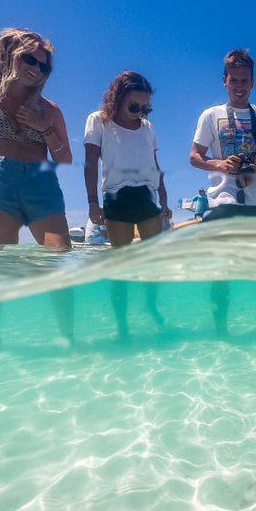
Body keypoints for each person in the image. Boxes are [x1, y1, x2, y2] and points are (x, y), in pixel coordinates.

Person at [0, 27, 74, 347]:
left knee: (59, 261)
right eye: (29, 59)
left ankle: (68, 339)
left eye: (44, 65)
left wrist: (44, 128)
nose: (36, 68)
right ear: (7, 54)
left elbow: (65, 158)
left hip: (42, 180)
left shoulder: (50, 108)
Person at [189, 48, 256, 332]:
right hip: (222, 202)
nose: (239, 86)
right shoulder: (211, 115)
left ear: (253, 82)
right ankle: (220, 325)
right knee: (221, 268)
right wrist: (220, 164)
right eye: (234, 80)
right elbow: (194, 157)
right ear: (224, 81)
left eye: (244, 80)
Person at [84, 71, 170, 336]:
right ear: (118, 98)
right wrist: (92, 204)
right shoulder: (98, 121)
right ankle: (122, 323)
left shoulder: (148, 128)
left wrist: (164, 201)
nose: (141, 113)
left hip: (146, 196)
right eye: (134, 106)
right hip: (116, 197)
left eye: (146, 108)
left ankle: (151, 307)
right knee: (120, 263)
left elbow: (155, 167)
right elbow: (89, 164)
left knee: (153, 261)